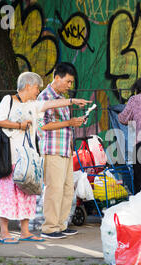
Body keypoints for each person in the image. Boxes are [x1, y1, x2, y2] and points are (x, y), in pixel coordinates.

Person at [0, 71, 91, 244]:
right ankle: (4, 233)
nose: (38, 91)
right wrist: (19, 125)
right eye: (37, 87)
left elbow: (50, 104)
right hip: (11, 157)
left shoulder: (33, 104)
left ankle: (25, 231)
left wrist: (73, 101)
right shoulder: (9, 100)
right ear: (28, 85)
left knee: (27, 194)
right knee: (7, 194)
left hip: (28, 158)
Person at [38, 62, 92, 239]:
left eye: (71, 82)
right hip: (53, 150)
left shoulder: (61, 98)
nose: (70, 85)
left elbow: (62, 124)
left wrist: (74, 121)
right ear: (56, 78)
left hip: (65, 149)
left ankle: (61, 224)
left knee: (67, 189)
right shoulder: (45, 97)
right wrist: (70, 122)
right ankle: (50, 227)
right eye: (68, 81)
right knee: (54, 189)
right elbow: (43, 126)